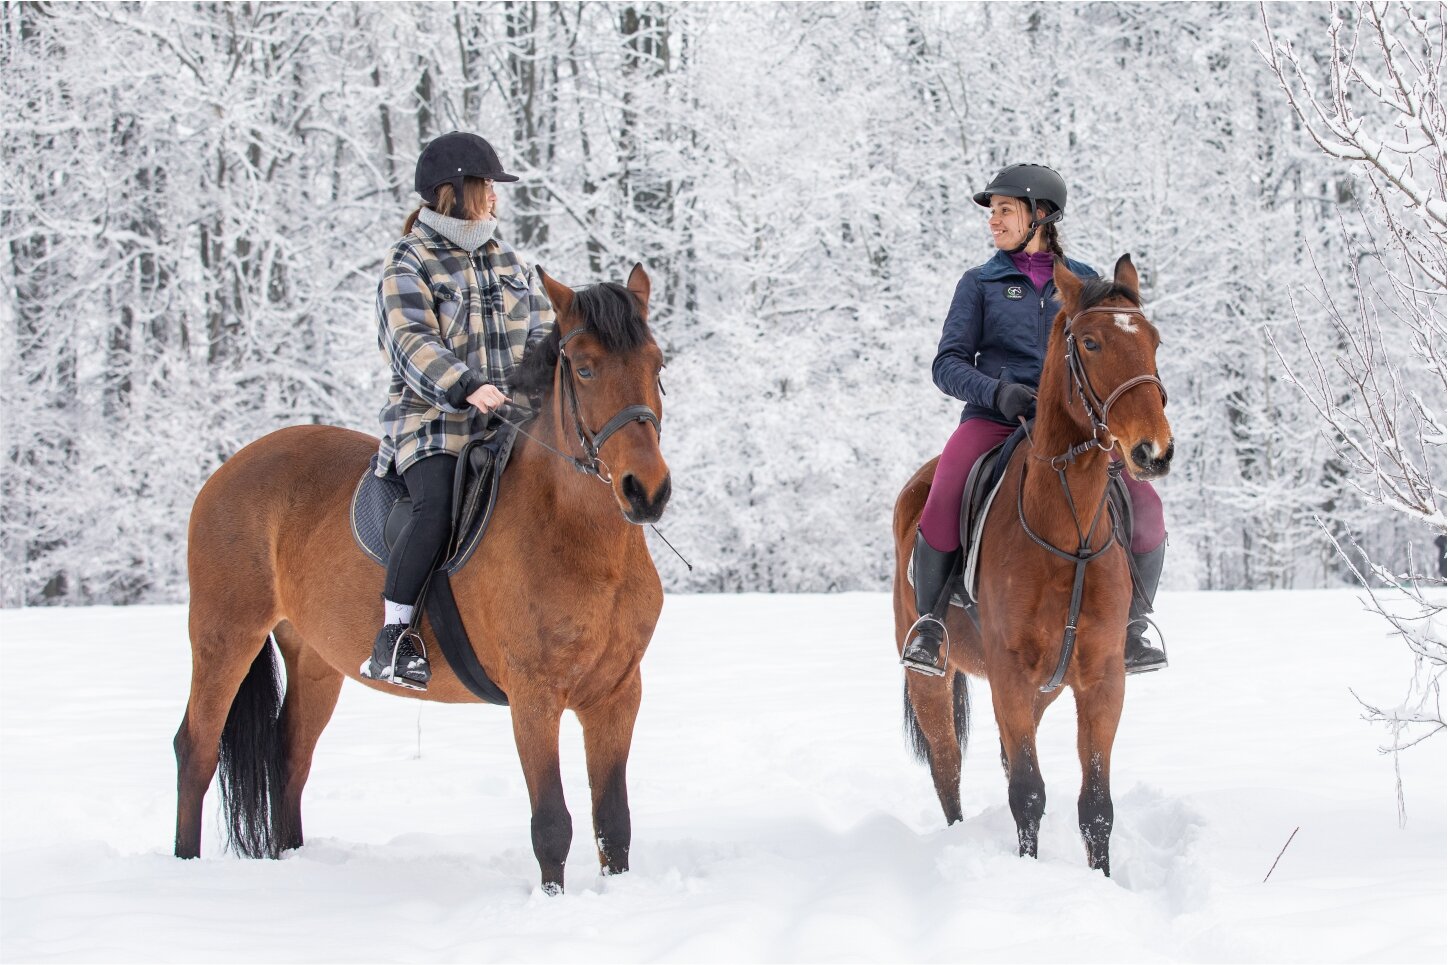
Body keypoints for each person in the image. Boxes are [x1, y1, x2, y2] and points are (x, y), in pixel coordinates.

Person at [900, 163, 1168, 678]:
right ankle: (931, 624)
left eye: (1005, 210)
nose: (993, 221)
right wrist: (996, 392)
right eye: (992, 212)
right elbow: (946, 364)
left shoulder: (1087, 283)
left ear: (1040, 215)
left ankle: (1133, 626)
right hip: (996, 419)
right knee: (947, 487)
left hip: (1078, 428)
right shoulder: (979, 283)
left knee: (1146, 504)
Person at [362, 131, 556, 690]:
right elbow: (409, 340)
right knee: (438, 508)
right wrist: (466, 384)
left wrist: (546, 380)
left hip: (509, 420)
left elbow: (543, 334)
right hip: (434, 422)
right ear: (457, 191)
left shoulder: (511, 261)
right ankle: (395, 636)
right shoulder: (409, 260)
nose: (495, 195)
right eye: (487, 185)